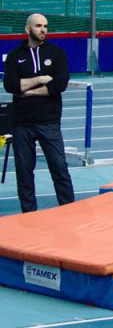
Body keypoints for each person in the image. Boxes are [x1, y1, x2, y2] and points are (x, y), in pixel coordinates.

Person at [2, 13, 75, 213]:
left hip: (49, 122)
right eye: (38, 26)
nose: (43, 30)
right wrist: (41, 78)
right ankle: (29, 214)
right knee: (24, 172)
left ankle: (69, 211)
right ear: (28, 29)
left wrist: (28, 90)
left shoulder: (57, 53)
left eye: (45, 26)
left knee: (59, 168)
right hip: (22, 123)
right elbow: (10, 85)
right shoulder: (15, 57)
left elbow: (59, 84)